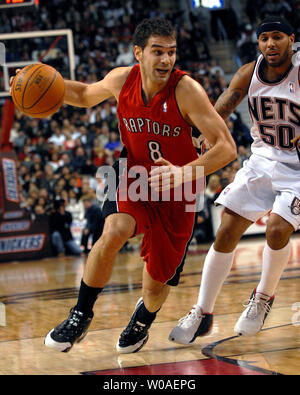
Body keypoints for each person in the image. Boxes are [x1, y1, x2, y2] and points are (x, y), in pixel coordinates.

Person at [31, 18, 236, 353]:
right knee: (113, 231)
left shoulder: (187, 91)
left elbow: (226, 146)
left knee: (155, 286)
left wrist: (185, 173)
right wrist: (37, 76)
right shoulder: (121, 79)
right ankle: (80, 314)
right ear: (138, 53)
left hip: (179, 192)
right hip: (133, 174)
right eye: (158, 52)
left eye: (171, 52)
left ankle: (142, 319)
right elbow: (82, 94)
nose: (166, 60)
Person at [169, 16, 300, 344]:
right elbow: (224, 104)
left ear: (292, 40)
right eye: (265, 38)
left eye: (278, 37)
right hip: (262, 160)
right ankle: (203, 311)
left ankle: (263, 297)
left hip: (297, 169)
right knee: (226, 229)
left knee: (277, 229)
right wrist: (203, 132)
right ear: (258, 43)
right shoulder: (247, 72)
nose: (270, 44)